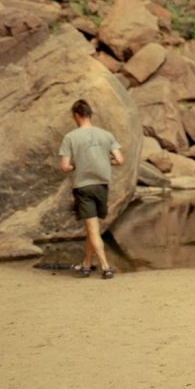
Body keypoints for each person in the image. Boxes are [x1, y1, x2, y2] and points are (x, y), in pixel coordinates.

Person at [58, 99, 124, 279]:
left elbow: (64, 167)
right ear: (90, 114)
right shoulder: (106, 135)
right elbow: (119, 160)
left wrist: (77, 166)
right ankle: (87, 264)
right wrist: (104, 161)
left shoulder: (70, 137)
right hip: (102, 186)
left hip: (83, 187)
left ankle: (105, 266)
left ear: (76, 115)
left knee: (92, 229)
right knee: (92, 227)